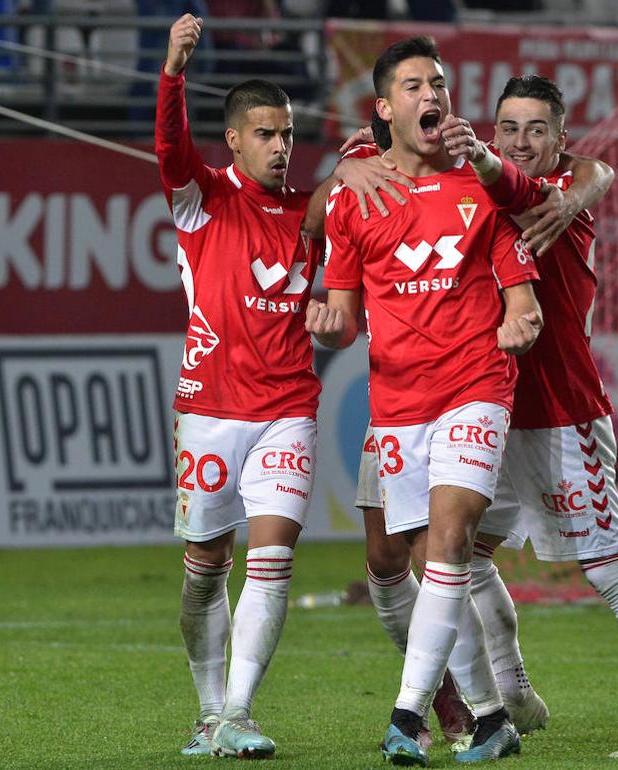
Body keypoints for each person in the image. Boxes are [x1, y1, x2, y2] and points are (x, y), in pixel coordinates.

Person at [156, 14, 406, 759]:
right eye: (265, 134)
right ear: (234, 138)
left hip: (287, 413)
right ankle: (208, 713)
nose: (278, 146)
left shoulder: (309, 215)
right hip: (207, 411)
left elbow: (344, 202)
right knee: (205, 572)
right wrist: (175, 70)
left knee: (272, 560)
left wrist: (360, 162)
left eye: (287, 134)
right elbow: (170, 147)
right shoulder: (201, 200)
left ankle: (237, 710)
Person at [435, 74, 618, 759]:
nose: (522, 141)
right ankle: (515, 692)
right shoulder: (479, 192)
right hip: (487, 409)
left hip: (559, 413)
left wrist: (570, 179)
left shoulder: (554, 203)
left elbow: (585, 174)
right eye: (509, 128)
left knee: (607, 565)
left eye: (537, 130)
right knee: (459, 550)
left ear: (560, 142)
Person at [309, 35, 542, 766]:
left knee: (450, 540)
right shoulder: (355, 197)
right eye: (412, 85)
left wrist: (520, 319)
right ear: (385, 108)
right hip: (399, 403)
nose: (430, 95)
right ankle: (489, 715)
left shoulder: (483, 183)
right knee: (426, 556)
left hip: (474, 388)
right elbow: (344, 315)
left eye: (437, 83)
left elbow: (524, 298)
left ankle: (408, 715)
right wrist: (326, 323)